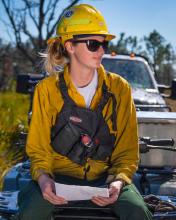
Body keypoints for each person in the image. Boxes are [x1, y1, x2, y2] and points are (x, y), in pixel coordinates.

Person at [17, 4, 152, 220]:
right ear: (70, 45)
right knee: (30, 212)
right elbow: (39, 150)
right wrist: (44, 180)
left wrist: (117, 182)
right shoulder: (47, 90)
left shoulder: (120, 89)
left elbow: (127, 152)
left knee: (138, 212)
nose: (101, 51)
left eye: (104, 44)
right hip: (57, 179)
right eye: (93, 44)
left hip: (106, 181)